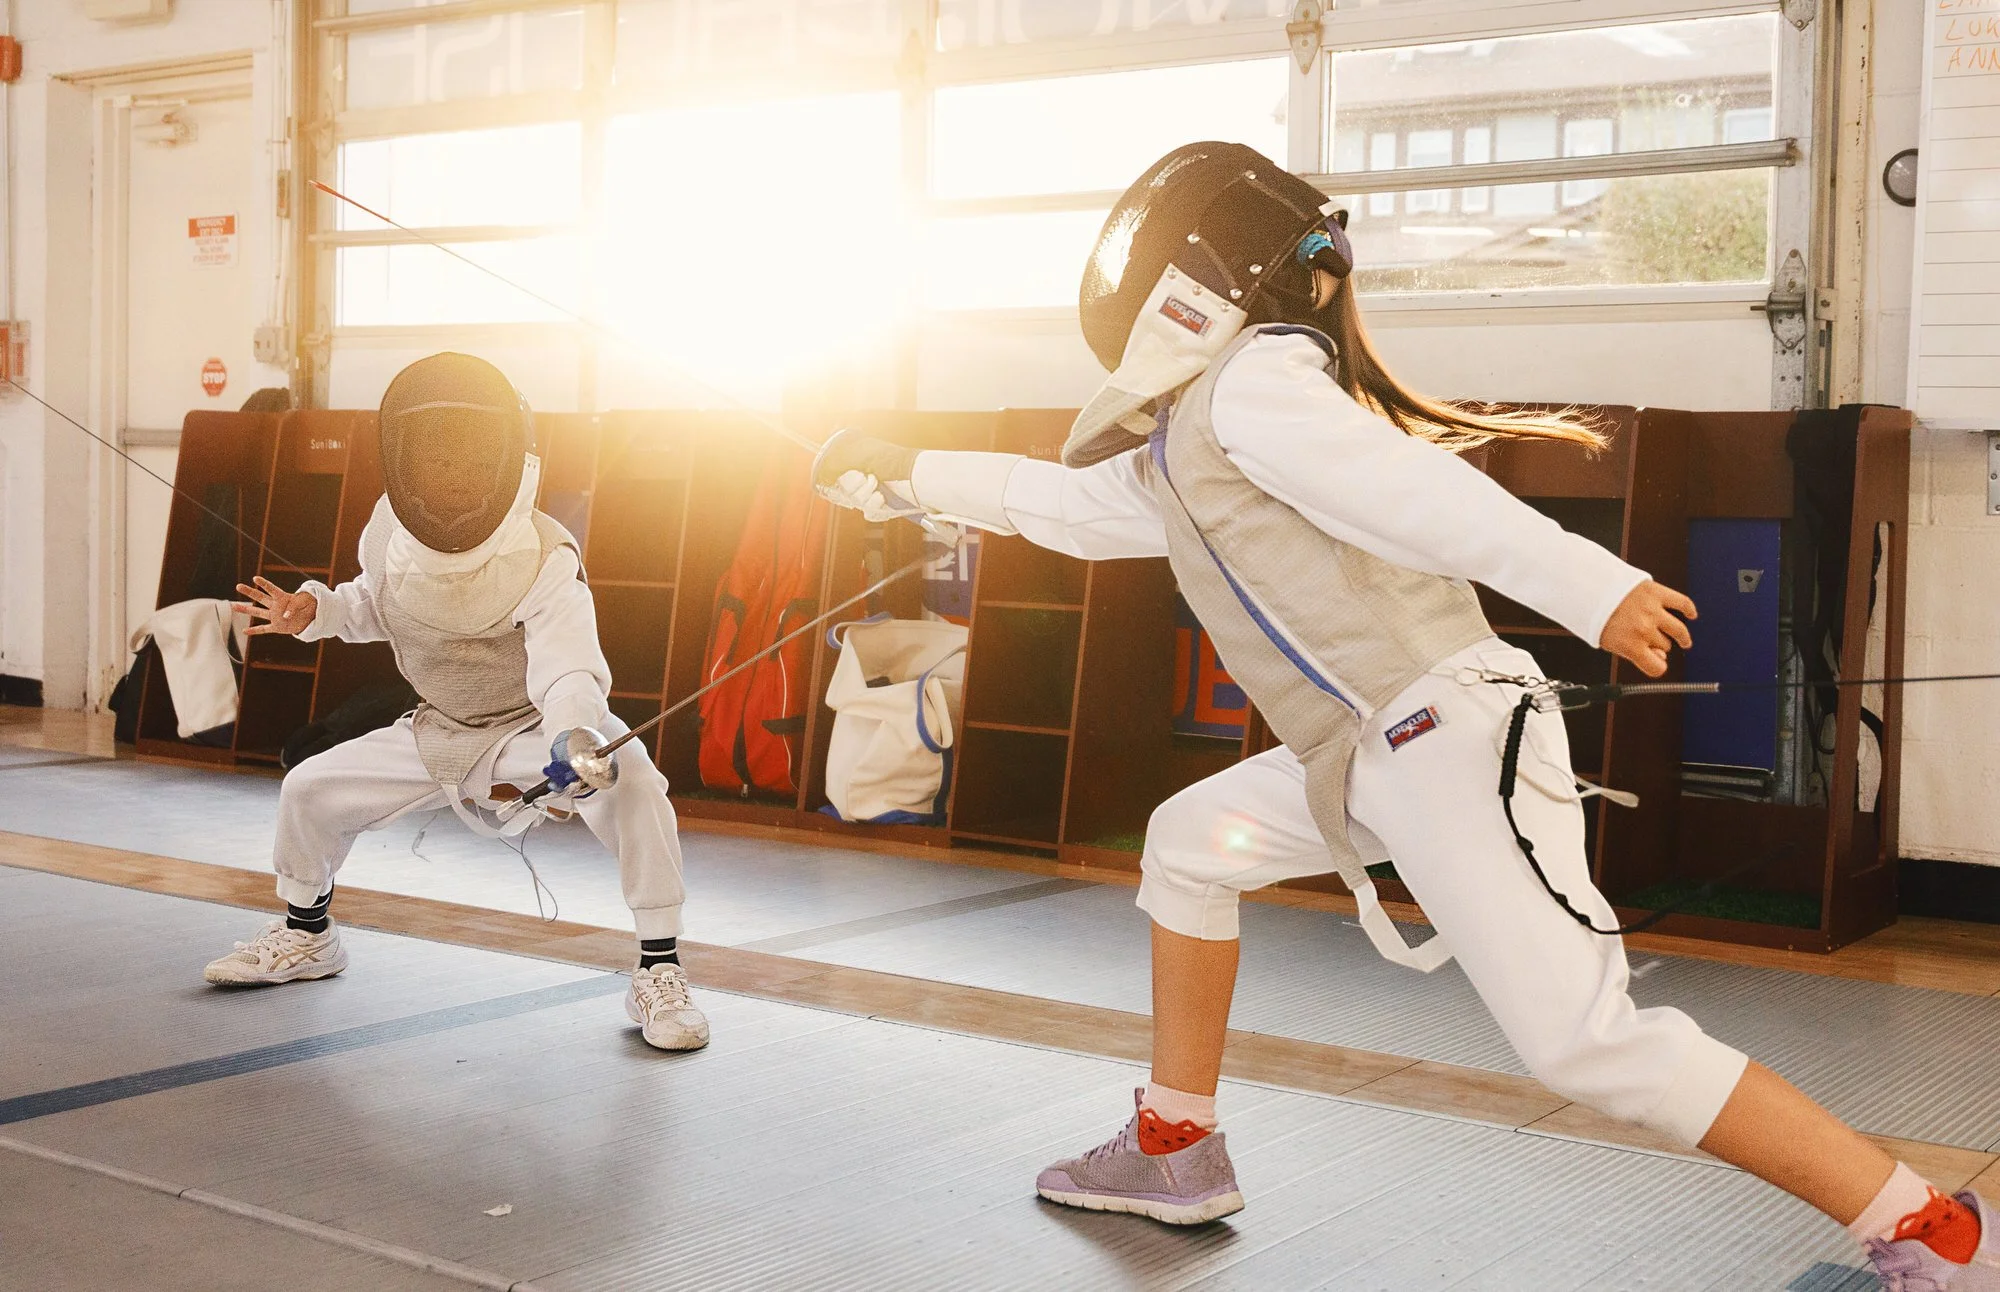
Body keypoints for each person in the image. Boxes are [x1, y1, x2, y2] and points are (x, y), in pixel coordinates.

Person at [812, 143, 1994, 1287]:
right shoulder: (1192, 433)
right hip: (1358, 757)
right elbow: (1064, 507)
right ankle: (1176, 1146)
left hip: (1445, 739)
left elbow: (1413, 490)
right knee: (1184, 842)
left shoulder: (1258, 383)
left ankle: (1929, 1226)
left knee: (1586, 1046)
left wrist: (1593, 587)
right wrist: (901, 470)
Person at [208, 352, 709, 1052]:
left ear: (505, 461)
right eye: (436, 463)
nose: (450, 478)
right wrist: (314, 610)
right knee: (309, 788)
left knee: (635, 786)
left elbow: (568, 670)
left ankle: (660, 969)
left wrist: (573, 737)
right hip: (440, 726)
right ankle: (309, 935)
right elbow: (376, 602)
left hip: (536, 729)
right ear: (407, 463)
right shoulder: (389, 529)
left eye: (468, 463)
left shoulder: (542, 555)